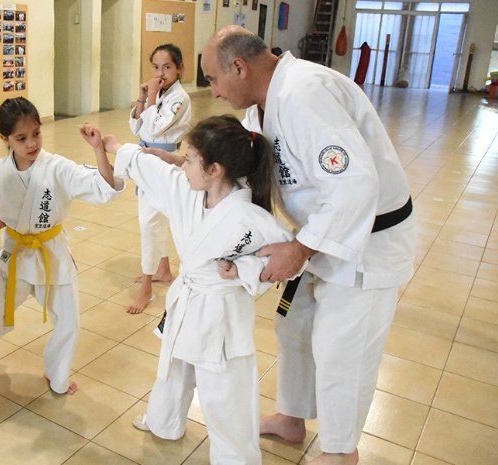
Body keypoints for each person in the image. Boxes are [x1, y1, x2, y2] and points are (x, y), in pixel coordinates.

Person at [200, 26, 415, 465]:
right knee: (294, 329)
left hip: (367, 241)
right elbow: (248, 158)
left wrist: (298, 250)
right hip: (319, 233)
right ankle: (292, 418)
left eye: (212, 79)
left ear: (239, 67)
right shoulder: (263, 104)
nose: (213, 91)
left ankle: (340, 451)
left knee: (341, 348)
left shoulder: (303, 94)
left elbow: (355, 186)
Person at [92, 115, 294, 465]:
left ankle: (236, 458)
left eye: (188, 160)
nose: (180, 165)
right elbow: (147, 166)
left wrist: (244, 268)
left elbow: (287, 260)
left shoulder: (253, 219)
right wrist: (110, 145)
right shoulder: (187, 191)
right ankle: (164, 421)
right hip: (188, 299)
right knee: (174, 366)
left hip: (221, 313)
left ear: (214, 170)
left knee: (224, 394)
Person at [0, 97, 124, 394]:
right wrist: (2, 221)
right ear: (5, 139)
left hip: (51, 253)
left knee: (68, 320)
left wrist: (97, 149)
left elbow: (104, 187)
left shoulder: (57, 167)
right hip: (15, 251)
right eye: (21, 138)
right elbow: (10, 207)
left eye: (36, 133)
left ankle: (57, 375)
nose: (32, 143)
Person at [127, 43, 192, 314]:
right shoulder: (157, 94)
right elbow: (136, 127)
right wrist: (144, 98)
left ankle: (146, 288)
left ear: (179, 69)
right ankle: (162, 269)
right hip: (148, 162)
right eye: (155, 67)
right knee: (155, 220)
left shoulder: (180, 98)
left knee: (148, 222)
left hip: (166, 165)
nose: (160, 73)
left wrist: (152, 95)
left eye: (167, 67)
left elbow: (154, 126)